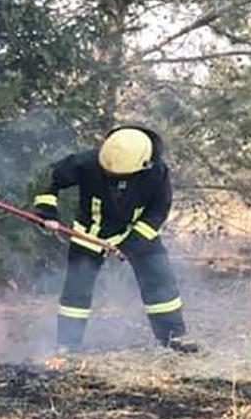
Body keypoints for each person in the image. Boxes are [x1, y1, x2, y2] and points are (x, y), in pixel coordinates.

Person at [32, 125, 199, 353]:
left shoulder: (157, 173)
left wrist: (131, 245)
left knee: (160, 281)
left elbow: (157, 212)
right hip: (88, 233)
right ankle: (67, 344)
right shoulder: (87, 162)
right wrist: (46, 212)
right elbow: (48, 178)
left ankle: (173, 337)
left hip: (137, 233)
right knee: (77, 289)